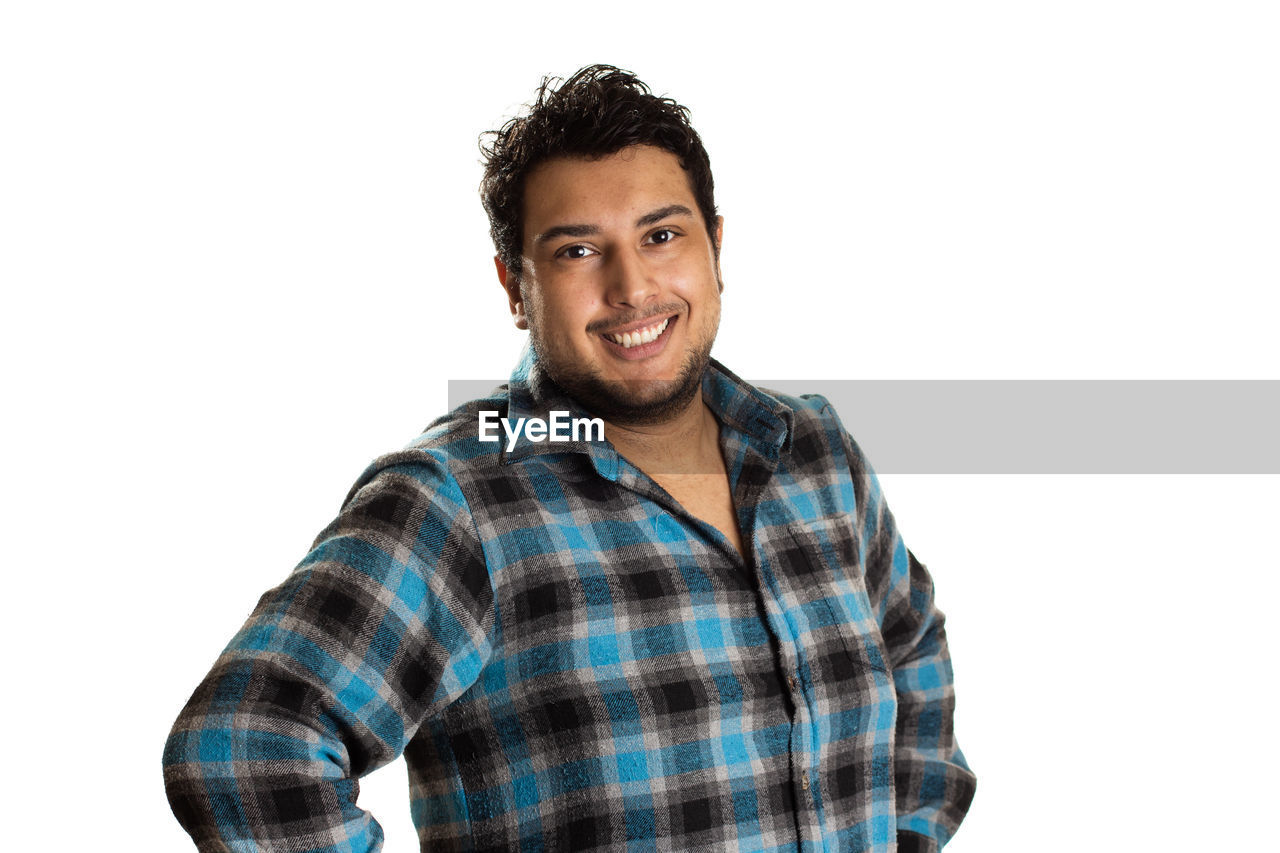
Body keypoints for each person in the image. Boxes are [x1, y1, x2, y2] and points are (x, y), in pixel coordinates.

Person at [163, 64, 976, 853]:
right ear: (515, 288)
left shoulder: (813, 453)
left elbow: (910, 648)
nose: (632, 286)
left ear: (716, 248)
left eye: (662, 235)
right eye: (578, 251)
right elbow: (243, 746)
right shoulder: (459, 497)